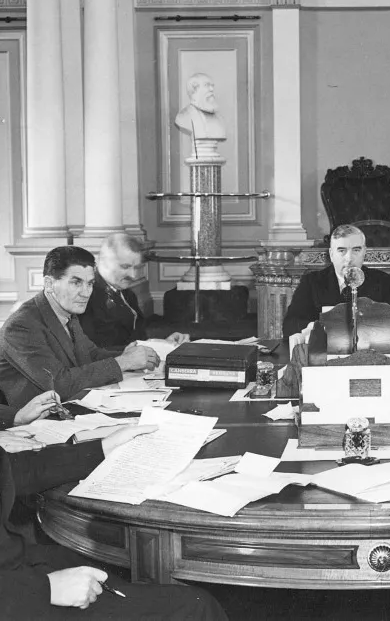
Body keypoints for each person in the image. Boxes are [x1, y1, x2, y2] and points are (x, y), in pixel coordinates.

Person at [0, 425, 226, 619]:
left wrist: (102, 448)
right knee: (195, 608)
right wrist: (45, 590)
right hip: (19, 597)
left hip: (16, 570)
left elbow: (13, 469)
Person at [0, 246, 160, 409]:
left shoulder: (65, 310)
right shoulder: (22, 326)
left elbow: (90, 354)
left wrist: (126, 355)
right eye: (76, 283)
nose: (86, 293)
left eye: (90, 283)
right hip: (31, 422)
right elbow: (59, 384)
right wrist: (124, 362)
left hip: (66, 407)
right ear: (49, 283)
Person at [282, 224, 390, 340]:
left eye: (356, 250)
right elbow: (290, 326)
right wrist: (318, 327)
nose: (349, 259)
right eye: (341, 251)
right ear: (331, 254)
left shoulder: (381, 280)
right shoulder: (312, 282)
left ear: (364, 252)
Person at [80, 233, 189, 351]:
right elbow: (91, 351)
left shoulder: (127, 294)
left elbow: (137, 336)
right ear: (104, 261)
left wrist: (164, 342)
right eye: (125, 267)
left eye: (136, 267)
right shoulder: (85, 296)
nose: (133, 275)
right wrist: (146, 347)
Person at [174, 72, 226, 141]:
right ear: (194, 89)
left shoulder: (219, 118)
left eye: (212, 86)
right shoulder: (183, 117)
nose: (211, 89)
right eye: (207, 85)